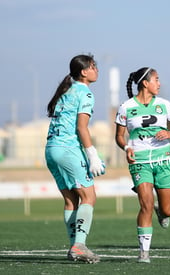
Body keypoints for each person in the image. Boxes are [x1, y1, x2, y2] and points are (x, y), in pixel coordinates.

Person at [115, 67, 170, 263]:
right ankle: (144, 253)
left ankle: (161, 212)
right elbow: (119, 136)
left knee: (168, 210)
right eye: (156, 79)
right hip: (139, 162)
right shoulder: (126, 107)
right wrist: (126, 148)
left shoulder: (164, 105)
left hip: (163, 160)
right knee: (145, 204)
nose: (159, 83)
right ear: (145, 83)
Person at [45, 54, 105, 264]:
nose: (97, 70)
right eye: (93, 66)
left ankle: (74, 246)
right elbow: (81, 127)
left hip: (51, 148)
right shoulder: (85, 93)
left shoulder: (66, 90)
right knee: (89, 197)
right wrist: (92, 154)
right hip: (68, 149)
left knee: (71, 200)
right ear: (84, 72)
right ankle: (79, 246)